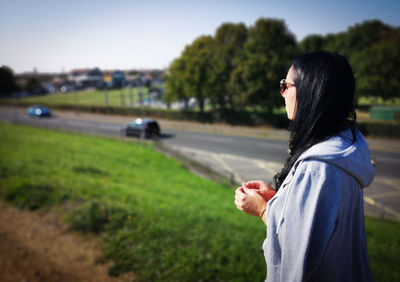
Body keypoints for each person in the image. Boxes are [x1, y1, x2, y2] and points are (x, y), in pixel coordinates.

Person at [234, 51, 375, 282]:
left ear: (310, 92)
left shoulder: (319, 168)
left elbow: (299, 253)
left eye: (284, 85)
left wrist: (262, 209)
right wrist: (278, 199)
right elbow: (316, 225)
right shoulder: (339, 149)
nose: (282, 93)